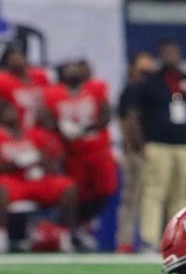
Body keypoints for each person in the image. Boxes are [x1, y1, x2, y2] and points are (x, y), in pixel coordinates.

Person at [125, 40, 186, 252]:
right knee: (153, 192)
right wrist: (139, 142)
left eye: (173, 52)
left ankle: (176, 240)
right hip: (158, 144)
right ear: (160, 55)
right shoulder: (149, 83)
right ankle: (149, 239)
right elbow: (134, 114)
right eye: (166, 52)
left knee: (180, 194)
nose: (170, 56)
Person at [43, 60, 118, 249]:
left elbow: (105, 115)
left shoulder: (96, 88)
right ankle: (77, 229)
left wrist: (85, 128)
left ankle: (85, 224)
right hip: (73, 153)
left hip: (98, 149)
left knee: (106, 189)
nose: (73, 72)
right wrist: (61, 128)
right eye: (69, 68)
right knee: (78, 193)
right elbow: (46, 119)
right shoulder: (53, 93)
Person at [0, 98, 77, 253]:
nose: (13, 115)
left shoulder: (33, 133)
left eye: (13, 111)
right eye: (7, 112)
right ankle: (1, 236)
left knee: (68, 187)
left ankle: (64, 236)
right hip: (12, 180)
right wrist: (16, 163)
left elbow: (50, 161)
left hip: (36, 179)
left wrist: (39, 161)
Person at [115, 52, 155, 253]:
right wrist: (133, 146)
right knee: (132, 197)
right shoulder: (130, 91)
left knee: (150, 197)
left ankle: (149, 240)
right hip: (137, 151)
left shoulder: (148, 90)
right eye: (143, 70)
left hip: (153, 149)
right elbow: (126, 120)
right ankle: (125, 241)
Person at [0, 42, 52, 130]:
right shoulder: (3, 80)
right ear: (6, 63)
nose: (16, 61)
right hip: (18, 129)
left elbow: (49, 99)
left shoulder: (40, 76)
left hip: (41, 128)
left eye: (18, 57)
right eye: (12, 58)